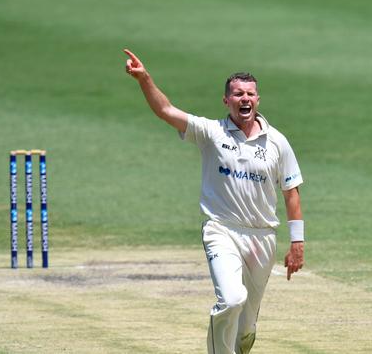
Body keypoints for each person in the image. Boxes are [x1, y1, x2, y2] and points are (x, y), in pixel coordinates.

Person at [123, 49, 305, 351]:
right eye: (237, 94)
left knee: (246, 327)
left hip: (262, 236)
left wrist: (297, 244)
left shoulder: (277, 142)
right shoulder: (211, 132)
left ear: (257, 100)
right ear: (227, 101)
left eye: (249, 94)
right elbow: (167, 111)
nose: (244, 98)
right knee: (231, 299)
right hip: (222, 230)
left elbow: (291, 193)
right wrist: (145, 79)